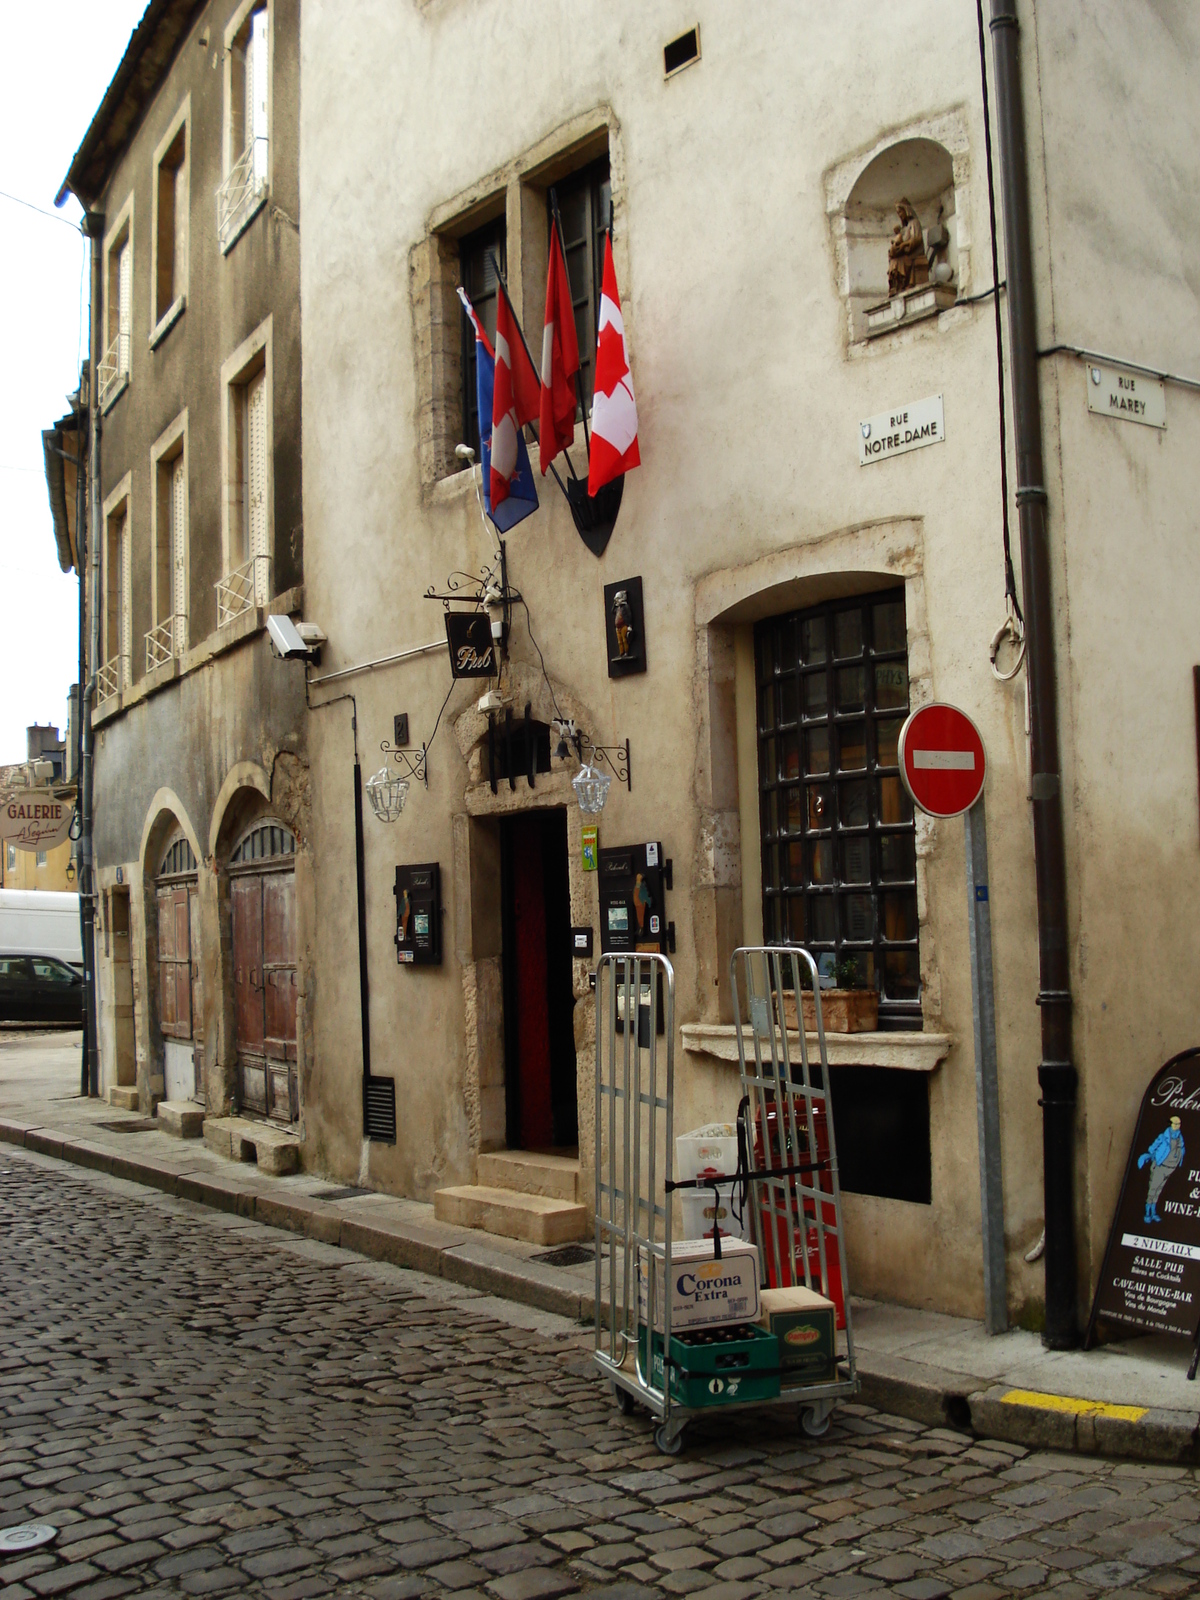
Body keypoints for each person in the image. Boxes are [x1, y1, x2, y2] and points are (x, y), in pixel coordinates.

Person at [1137, 1115, 1185, 1225]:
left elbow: (1181, 1150)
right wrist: (1151, 1155)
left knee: (1159, 1190)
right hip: (1161, 1166)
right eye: (1175, 1123)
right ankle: (1147, 1213)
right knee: (1153, 1189)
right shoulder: (1164, 1137)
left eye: (1178, 1124)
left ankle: (1153, 1212)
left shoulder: (1180, 1138)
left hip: (1170, 1169)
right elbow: (1153, 1146)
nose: (1177, 1126)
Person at [887, 198, 929, 298]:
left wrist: (904, 245)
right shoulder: (906, 227)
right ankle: (896, 286)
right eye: (898, 213)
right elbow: (903, 239)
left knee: (898, 261)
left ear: (906, 210)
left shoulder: (914, 223)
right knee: (893, 259)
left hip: (915, 253)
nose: (900, 215)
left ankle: (900, 285)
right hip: (908, 252)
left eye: (900, 212)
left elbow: (917, 239)